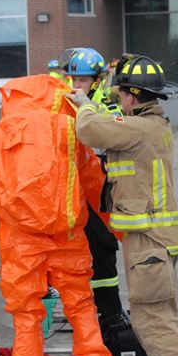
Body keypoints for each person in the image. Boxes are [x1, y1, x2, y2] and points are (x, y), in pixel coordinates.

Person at [0, 74, 113, 356]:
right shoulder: (69, 128)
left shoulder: (2, 135)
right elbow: (95, 180)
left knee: (26, 314)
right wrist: (114, 225)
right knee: (80, 306)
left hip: (21, 242)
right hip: (67, 235)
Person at [70, 54, 178, 356]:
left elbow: (90, 129)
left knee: (155, 325)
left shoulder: (138, 128)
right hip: (156, 241)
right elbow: (113, 128)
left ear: (132, 96)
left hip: (149, 242)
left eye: (122, 92)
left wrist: (84, 104)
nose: (119, 98)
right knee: (159, 319)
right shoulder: (152, 125)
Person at [66, 47, 123, 319]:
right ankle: (78, 311)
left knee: (103, 249)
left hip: (99, 193)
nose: (77, 85)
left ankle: (109, 314)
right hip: (71, 191)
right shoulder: (65, 104)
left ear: (97, 81)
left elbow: (116, 130)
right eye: (74, 79)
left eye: (83, 80)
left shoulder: (108, 106)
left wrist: (87, 109)